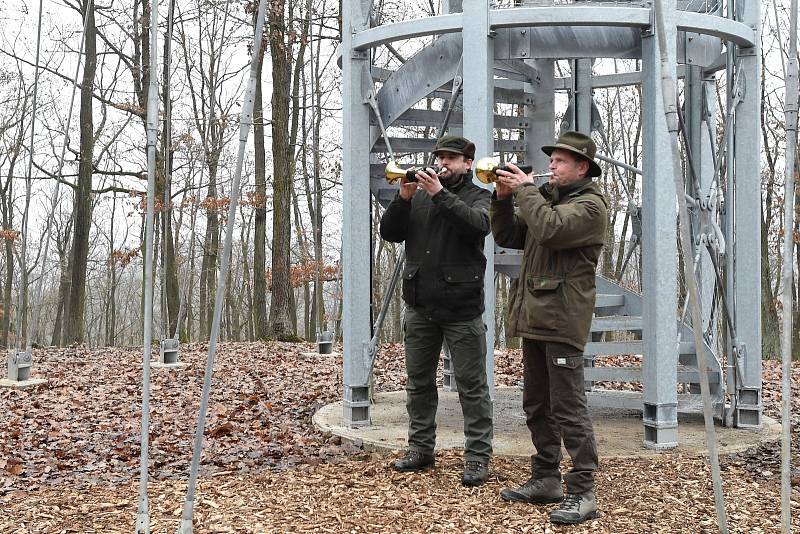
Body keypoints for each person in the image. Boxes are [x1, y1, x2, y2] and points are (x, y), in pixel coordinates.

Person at [490, 131, 608, 524]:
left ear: (582, 167)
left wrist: (525, 189)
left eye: (560, 161)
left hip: (562, 320)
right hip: (537, 320)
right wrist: (503, 199)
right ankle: (545, 478)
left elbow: (551, 230)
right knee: (537, 404)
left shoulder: (590, 208)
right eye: (552, 160)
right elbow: (509, 235)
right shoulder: (549, 201)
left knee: (568, 408)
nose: (551, 166)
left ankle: (583, 490)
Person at [379, 135, 493, 487]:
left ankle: (477, 456)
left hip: (462, 309)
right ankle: (420, 448)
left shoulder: (480, 197)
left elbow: (477, 225)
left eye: (452, 159)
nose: (444, 163)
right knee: (418, 384)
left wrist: (440, 194)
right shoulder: (421, 197)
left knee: (471, 387)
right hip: (420, 305)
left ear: (468, 164)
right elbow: (390, 233)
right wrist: (403, 199)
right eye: (441, 157)